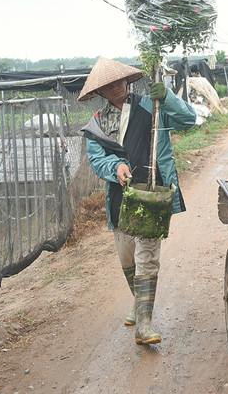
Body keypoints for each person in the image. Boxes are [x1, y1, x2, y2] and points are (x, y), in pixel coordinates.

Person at [78, 57, 196, 344]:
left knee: (147, 257)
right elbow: (97, 160)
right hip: (120, 197)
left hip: (152, 193)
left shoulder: (151, 105)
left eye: (120, 80)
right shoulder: (97, 125)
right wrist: (114, 167)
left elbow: (188, 120)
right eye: (109, 85)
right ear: (100, 92)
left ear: (127, 80)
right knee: (127, 257)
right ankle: (138, 302)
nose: (117, 86)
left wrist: (167, 97)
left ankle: (145, 323)